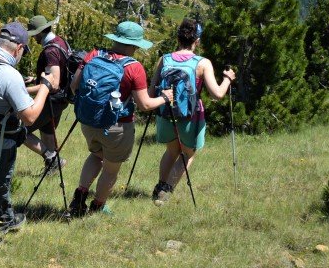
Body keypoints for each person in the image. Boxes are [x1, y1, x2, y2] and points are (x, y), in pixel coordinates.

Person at [0, 22, 61, 246]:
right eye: (24, 51)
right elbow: (30, 117)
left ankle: (5, 218)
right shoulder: (9, 74)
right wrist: (44, 86)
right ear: (18, 48)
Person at [69, 21, 172, 216]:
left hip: (88, 121)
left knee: (96, 155)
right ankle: (98, 207)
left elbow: (75, 85)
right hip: (118, 126)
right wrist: (165, 97)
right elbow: (144, 105)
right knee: (110, 168)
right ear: (134, 45)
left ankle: (79, 197)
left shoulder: (93, 55)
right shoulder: (134, 68)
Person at [150, 19, 235, 204]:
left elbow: (151, 92)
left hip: (165, 113)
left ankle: (159, 186)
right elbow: (217, 94)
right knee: (187, 154)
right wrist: (228, 78)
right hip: (191, 116)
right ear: (197, 40)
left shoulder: (164, 59)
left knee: (171, 151)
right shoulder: (202, 63)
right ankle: (165, 192)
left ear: (178, 37)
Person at [23, 14, 71, 171]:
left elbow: (53, 83)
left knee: (18, 129)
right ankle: (52, 168)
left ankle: (53, 160)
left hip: (51, 100)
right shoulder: (60, 42)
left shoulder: (50, 51)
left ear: (40, 32)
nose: (33, 38)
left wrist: (24, 89)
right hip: (61, 99)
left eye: (33, 34)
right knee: (47, 132)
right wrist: (35, 79)